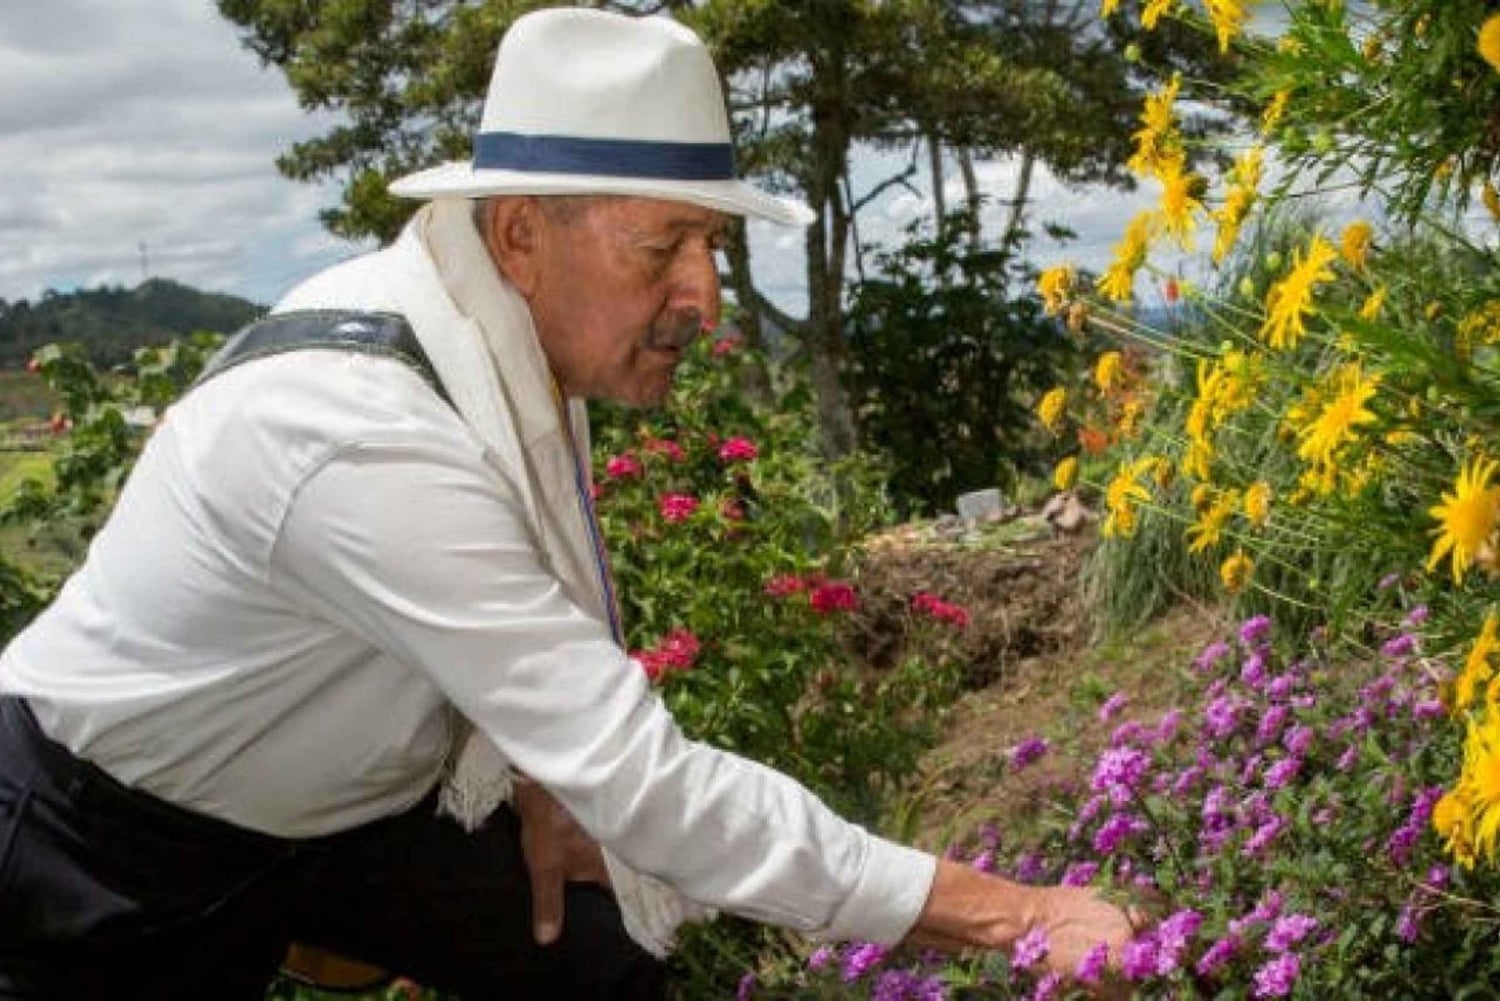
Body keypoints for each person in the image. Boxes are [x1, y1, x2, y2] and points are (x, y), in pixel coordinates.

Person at [0, 8, 1133, 1000]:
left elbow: (537, 644)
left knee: (593, 953)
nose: (703, 293)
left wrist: (539, 765)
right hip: (102, 836)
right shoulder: (362, 430)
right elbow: (648, 783)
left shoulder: (503, 339)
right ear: (521, 236)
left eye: (712, 243)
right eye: (665, 246)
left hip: (335, 809)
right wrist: (1016, 913)